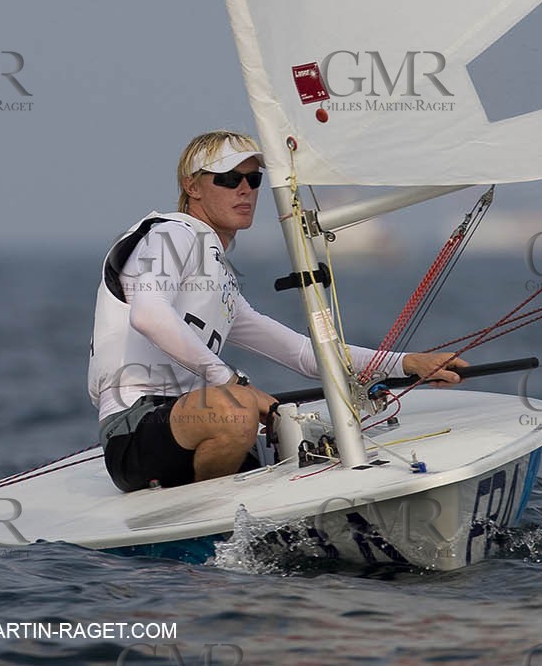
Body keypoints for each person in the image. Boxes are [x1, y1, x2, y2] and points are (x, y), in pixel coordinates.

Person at [87, 130, 468, 492]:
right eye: (228, 179)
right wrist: (233, 384)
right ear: (192, 186)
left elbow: (303, 354)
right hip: (135, 429)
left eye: (253, 181)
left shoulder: (218, 276)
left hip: (192, 427)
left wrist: (405, 363)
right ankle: (221, 529)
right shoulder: (173, 233)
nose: (244, 190)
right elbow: (148, 315)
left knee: (304, 428)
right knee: (236, 409)